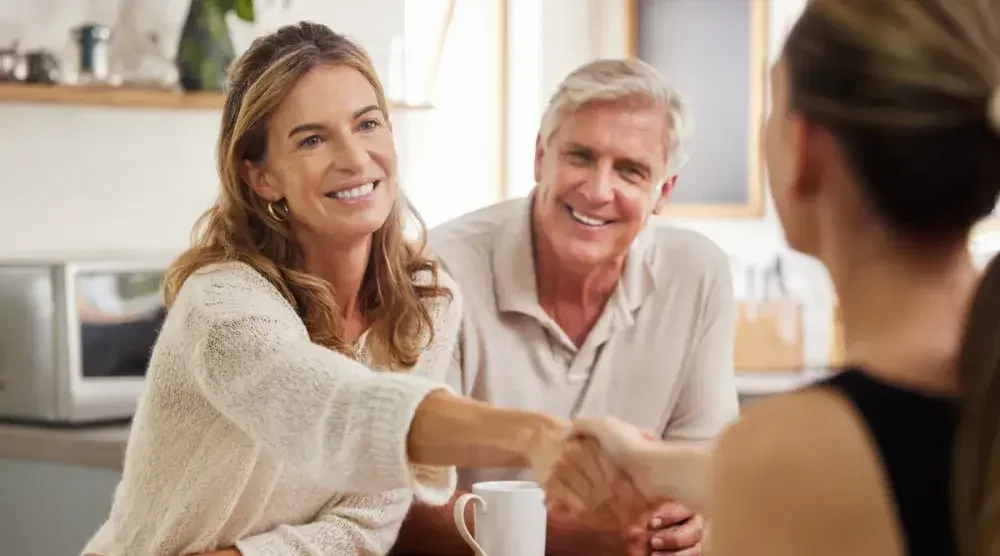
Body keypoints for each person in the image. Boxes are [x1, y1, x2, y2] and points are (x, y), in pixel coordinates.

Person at [81, 22, 574, 556]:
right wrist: (534, 434)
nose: (355, 158)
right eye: (313, 139)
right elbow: (335, 410)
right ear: (261, 178)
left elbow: (367, 523)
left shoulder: (426, 304)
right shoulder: (222, 305)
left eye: (367, 124)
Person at [547, 1, 1000, 555]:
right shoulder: (975, 378)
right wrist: (651, 466)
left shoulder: (789, 455)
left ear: (805, 148)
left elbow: (803, 474)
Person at [394, 59, 739, 556]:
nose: (598, 191)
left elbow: (705, 467)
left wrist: (688, 519)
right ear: (540, 157)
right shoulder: (435, 269)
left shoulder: (699, 274)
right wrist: (580, 537)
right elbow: (396, 499)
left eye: (630, 170)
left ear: (663, 191)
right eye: (580, 156)